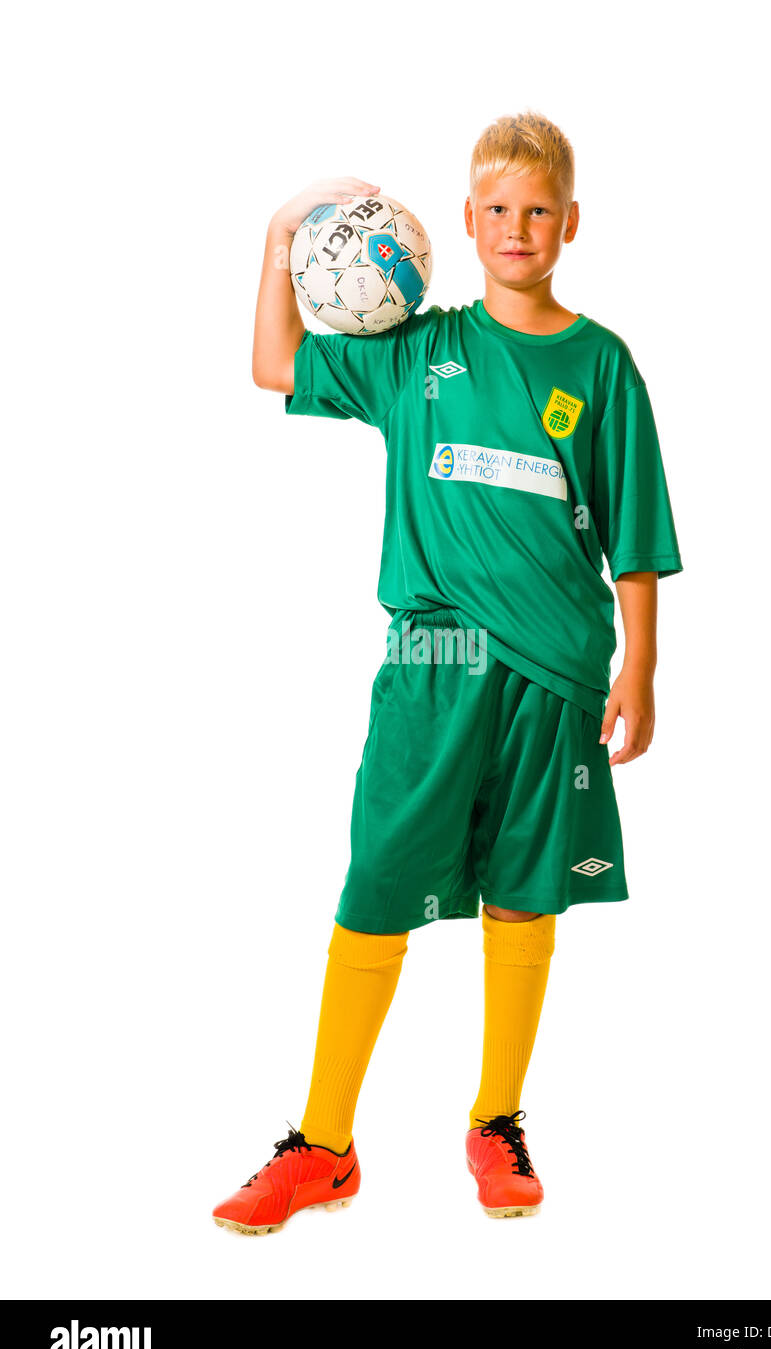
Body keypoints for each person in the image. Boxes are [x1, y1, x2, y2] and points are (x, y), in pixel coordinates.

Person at [212, 110, 683, 1234]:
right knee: (378, 878)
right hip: (431, 661)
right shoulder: (417, 351)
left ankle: (496, 1122)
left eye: (536, 211)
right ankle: (322, 1144)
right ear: (465, 223)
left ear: (567, 224)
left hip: (558, 670)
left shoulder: (601, 365)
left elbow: (634, 534)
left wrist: (642, 668)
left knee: (524, 891)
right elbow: (272, 362)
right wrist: (284, 229)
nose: (516, 228)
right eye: (496, 210)